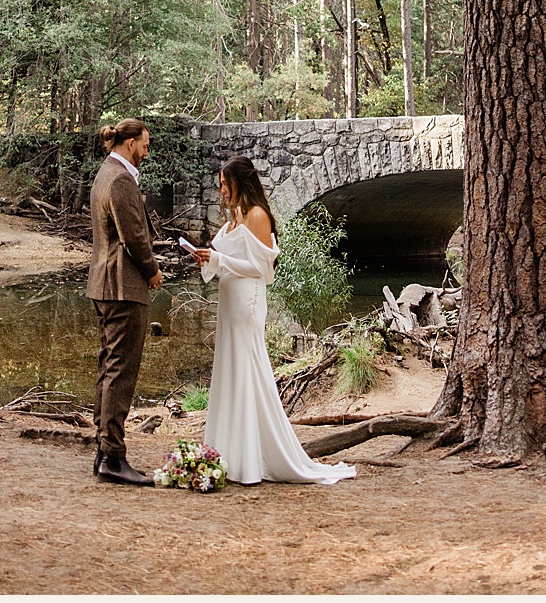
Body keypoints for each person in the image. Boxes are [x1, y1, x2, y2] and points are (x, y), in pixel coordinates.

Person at [190, 158, 358, 485]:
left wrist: (220, 258)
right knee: (230, 370)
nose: (221, 189)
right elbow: (228, 260)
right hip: (229, 303)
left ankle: (253, 460)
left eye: (225, 182)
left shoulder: (257, 215)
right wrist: (208, 259)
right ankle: (230, 453)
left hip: (247, 303)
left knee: (247, 369)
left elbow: (259, 267)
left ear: (240, 182)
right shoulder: (234, 218)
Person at [87, 117, 164, 486]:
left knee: (108, 368)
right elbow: (133, 236)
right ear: (131, 142)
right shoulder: (119, 179)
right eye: (145, 146)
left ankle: (104, 451)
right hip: (121, 287)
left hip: (104, 285)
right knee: (121, 371)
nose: (146, 153)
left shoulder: (105, 173)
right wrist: (152, 271)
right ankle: (113, 457)